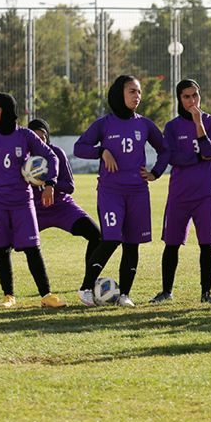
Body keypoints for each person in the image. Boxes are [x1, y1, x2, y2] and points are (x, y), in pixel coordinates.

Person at [0, 118, 101, 300]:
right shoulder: (20, 158)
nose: (40, 142)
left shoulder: (55, 154)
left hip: (61, 206)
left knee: (96, 235)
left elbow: (69, 186)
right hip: (32, 209)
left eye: (43, 138)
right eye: (36, 139)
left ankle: (89, 282)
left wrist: (46, 182)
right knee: (1, 246)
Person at [74, 75, 168, 307]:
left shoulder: (144, 124)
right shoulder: (104, 124)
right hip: (110, 192)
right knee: (111, 238)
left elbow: (165, 150)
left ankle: (124, 295)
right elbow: (79, 147)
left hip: (138, 192)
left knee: (132, 243)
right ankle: (86, 288)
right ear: (119, 94)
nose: (137, 96)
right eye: (132, 92)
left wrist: (155, 172)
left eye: (138, 92)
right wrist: (101, 151)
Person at [0, 93, 65, 308]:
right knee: (0, 248)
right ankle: (8, 296)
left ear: (7, 111)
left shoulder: (26, 136)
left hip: (22, 201)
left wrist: (50, 184)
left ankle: (46, 295)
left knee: (32, 247)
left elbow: (51, 157)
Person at [151, 79, 211, 304]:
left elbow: (210, 149)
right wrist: (198, 157)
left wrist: (198, 123)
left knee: (207, 244)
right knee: (171, 243)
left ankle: (206, 293)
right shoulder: (172, 127)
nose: (192, 101)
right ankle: (166, 291)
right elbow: (172, 156)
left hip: (206, 193)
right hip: (180, 193)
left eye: (195, 96)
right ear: (179, 99)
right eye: (186, 97)